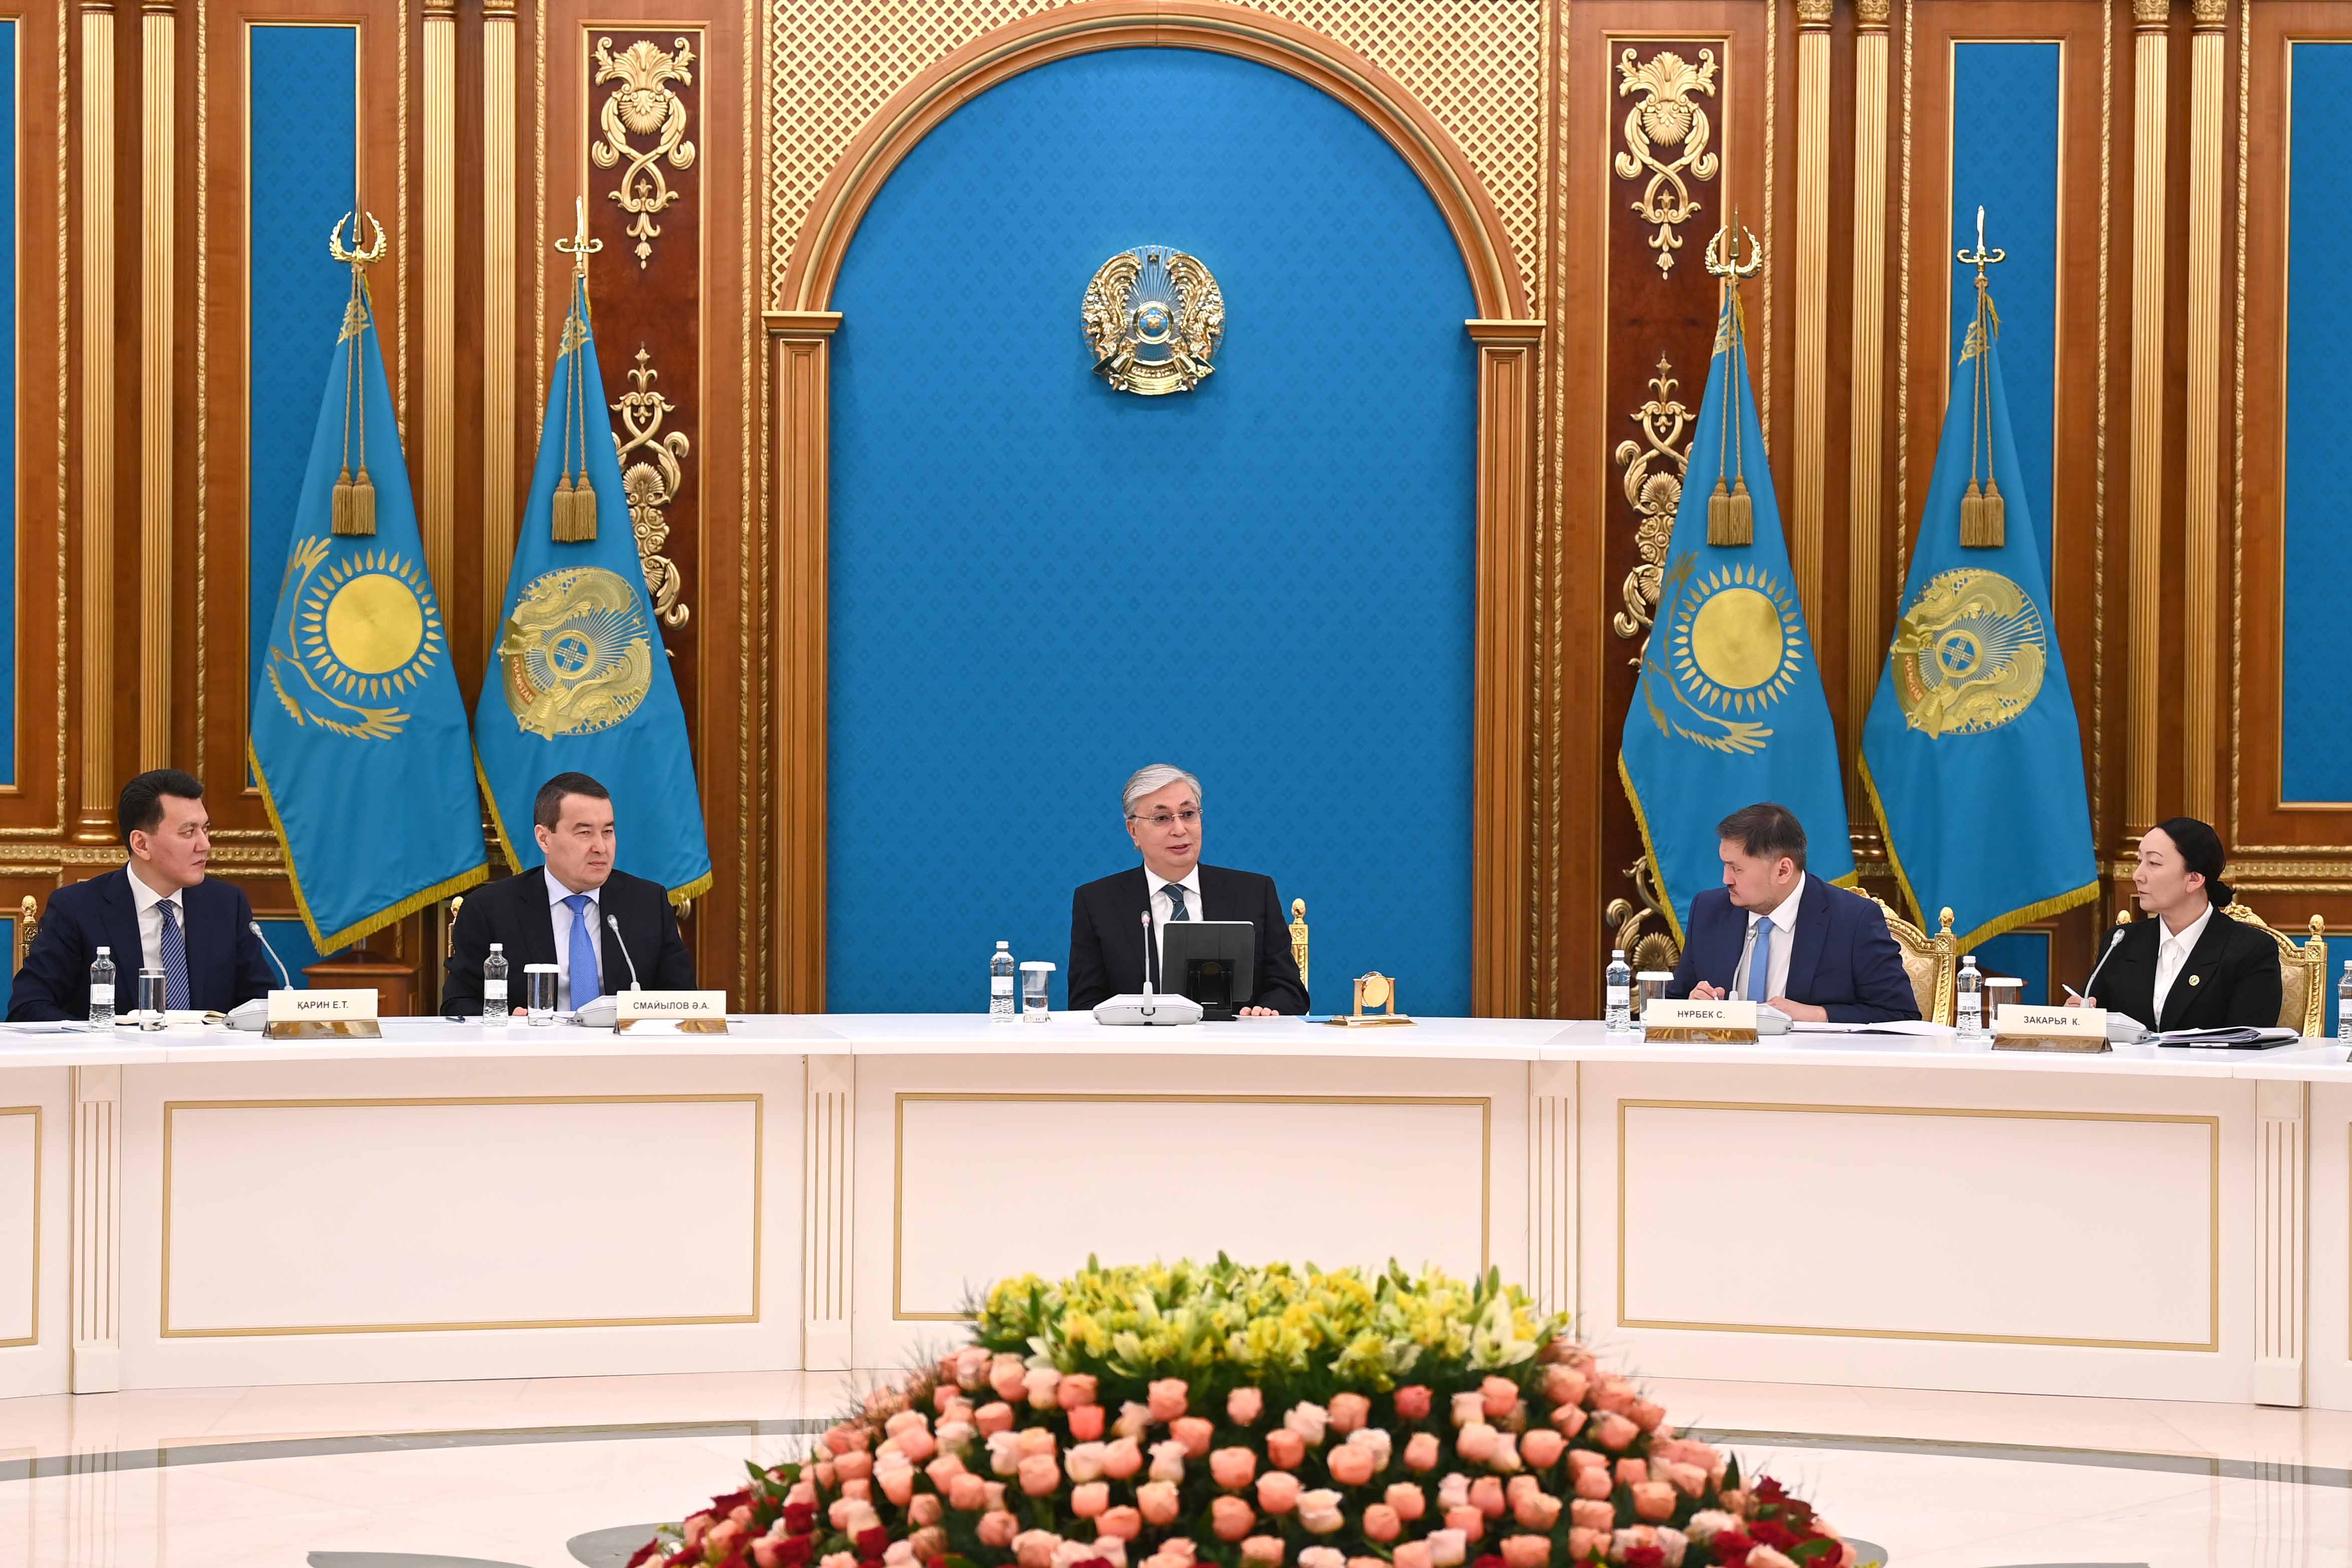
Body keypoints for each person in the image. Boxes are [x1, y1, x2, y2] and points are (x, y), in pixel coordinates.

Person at [8, 769, 276, 1021]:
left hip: (207, 1055)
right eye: (188, 833)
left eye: (205, 829)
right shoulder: (77, 909)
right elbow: (28, 1007)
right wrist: (106, 1036)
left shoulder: (227, 905)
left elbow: (262, 1004)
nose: (205, 845)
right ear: (141, 844)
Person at [441, 771, 694, 1015]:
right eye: (585, 833)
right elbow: (458, 1003)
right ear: (544, 839)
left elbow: (683, 1000)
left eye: (608, 832)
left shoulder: (647, 903)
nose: (601, 847)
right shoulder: (489, 910)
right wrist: (506, 1021)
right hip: (533, 1043)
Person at [1068, 764, 1308, 1016]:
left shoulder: (1254, 893)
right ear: (1133, 831)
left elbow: (1289, 990)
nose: (1180, 830)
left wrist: (1265, 1012)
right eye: (1162, 818)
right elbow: (1085, 1005)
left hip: (1235, 1038)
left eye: (1188, 814)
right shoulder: (1097, 903)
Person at [1667, 802, 1920, 1024]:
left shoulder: (1853, 920)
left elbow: (1901, 1014)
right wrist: (1693, 1006)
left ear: (1783, 871)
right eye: (1725, 866)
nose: (1726, 880)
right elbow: (1675, 1001)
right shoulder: (1709, 910)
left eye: (1737, 869)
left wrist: (1817, 1015)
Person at [2066, 816, 2280, 1032]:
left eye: (2154, 863)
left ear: (2194, 879)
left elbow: (2245, 1040)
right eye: (2139, 861)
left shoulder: (2251, 950)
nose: (2137, 876)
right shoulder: (2120, 942)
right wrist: (2076, 1020)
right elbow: (2093, 1024)